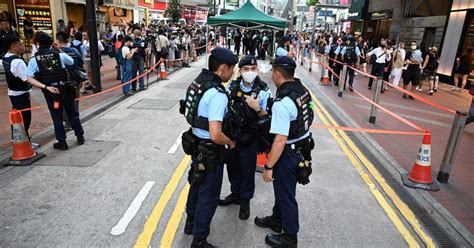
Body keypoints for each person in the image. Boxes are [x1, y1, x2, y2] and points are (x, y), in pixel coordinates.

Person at [180, 47, 238, 247]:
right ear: (223, 68)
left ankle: (190, 222)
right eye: (232, 69)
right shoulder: (217, 93)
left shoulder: (198, 82)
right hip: (211, 150)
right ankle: (200, 239)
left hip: (196, 144)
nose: (232, 74)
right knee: (209, 195)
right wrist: (230, 142)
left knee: (196, 184)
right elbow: (216, 134)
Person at [254, 56, 314, 247]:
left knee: (286, 195)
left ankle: (290, 236)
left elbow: (280, 141)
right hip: (301, 149)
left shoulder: (282, 103)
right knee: (283, 191)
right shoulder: (302, 91)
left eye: (272, 71)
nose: (272, 75)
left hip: (288, 154)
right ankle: (277, 219)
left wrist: (268, 166)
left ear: (277, 73)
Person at [219, 55, 272, 220]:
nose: (250, 72)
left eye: (253, 69)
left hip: (251, 138)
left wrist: (258, 109)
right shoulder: (232, 87)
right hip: (233, 137)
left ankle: (245, 200)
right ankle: (235, 194)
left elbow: (269, 118)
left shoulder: (263, 91)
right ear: (240, 71)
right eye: (246, 69)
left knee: (247, 170)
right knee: (233, 167)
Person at [26, 32, 85, 150]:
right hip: (66, 89)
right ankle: (79, 137)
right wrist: (59, 50)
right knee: (73, 113)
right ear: (52, 43)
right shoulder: (59, 55)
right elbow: (71, 62)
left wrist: (45, 87)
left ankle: (62, 142)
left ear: (38, 44)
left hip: (51, 92)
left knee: (56, 116)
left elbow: (29, 78)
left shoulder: (34, 60)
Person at [3, 35, 59, 149]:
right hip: (21, 94)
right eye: (20, 45)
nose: (23, 46)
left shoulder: (6, 57)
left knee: (17, 117)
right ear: (13, 47)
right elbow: (28, 78)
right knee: (25, 119)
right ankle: (25, 142)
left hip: (13, 93)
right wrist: (45, 87)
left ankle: (17, 139)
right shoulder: (18, 62)